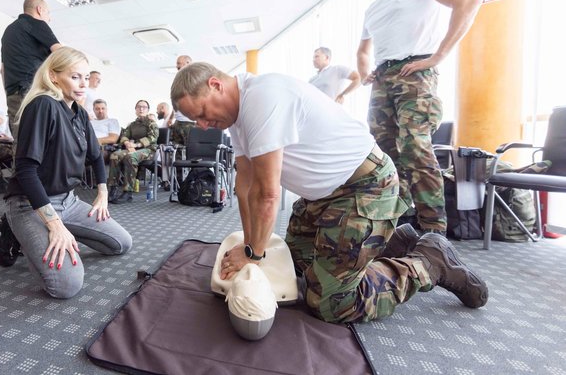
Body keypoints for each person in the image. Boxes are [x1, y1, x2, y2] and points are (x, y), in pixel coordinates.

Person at [170, 62, 487, 324]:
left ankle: (428, 262)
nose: (202, 125)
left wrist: (253, 252)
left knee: (331, 303)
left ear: (215, 84)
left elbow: (267, 194)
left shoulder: (262, 97)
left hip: (365, 189)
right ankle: (394, 240)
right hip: (323, 198)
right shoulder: (236, 117)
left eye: (201, 112)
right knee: (293, 268)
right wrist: (252, 250)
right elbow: (245, 188)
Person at [355, 0, 482, 235]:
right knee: (383, 153)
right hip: (383, 78)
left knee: (414, 145)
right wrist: (366, 74)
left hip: (415, 72)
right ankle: (401, 221)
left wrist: (437, 57)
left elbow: (469, 0)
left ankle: (434, 231)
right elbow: (362, 51)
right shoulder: (372, 11)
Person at [3, 46, 132, 299]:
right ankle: (21, 233)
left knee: (120, 244)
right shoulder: (42, 106)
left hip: (68, 200)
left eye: (86, 77)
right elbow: (26, 170)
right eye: (75, 77)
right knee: (66, 286)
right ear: (53, 76)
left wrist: (102, 193)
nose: (83, 84)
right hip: (30, 205)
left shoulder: (80, 113)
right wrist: (54, 225)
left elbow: (96, 157)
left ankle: (56, 233)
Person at [1, 0, 62, 135]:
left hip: (12, 94)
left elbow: (2, 70)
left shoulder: (8, 32)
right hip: (34, 90)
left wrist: (9, 92)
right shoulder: (36, 23)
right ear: (40, 10)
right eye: (48, 13)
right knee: (41, 139)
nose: (49, 18)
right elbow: (61, 54)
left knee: (20, 140)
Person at [107, 100, 158, 204]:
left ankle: (128, 192)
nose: (141, 109)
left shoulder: (151, 123)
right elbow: (125, 135)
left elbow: (152, 138)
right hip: (133, 149)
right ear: (135, 109)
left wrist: (136, 144)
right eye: (139, 107)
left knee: (130, 157)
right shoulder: (132, 125)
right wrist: (126, 143)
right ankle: (113, 188)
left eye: (144, 107)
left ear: (148, 110)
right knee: (115, 155)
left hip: (149, 150)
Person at [168, 55, 196, 145]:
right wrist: (171, 117)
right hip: (177, 122)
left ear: (188, 63)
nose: (177, 66)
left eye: (179, 63)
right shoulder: (178, 79)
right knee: (176, 151)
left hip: (189, 123)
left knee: (189, 150)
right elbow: (176, 100)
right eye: (177, 64)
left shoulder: (194, 78)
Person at [90, 99, 120, 163]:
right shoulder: (90, 122)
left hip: (104, 148)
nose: (100, 111)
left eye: (103, 108)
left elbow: (113, 138)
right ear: (93, 110)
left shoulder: (112, 121)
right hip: (87, 146)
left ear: (106, 109)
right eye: (97, 109)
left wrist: (94, 141)